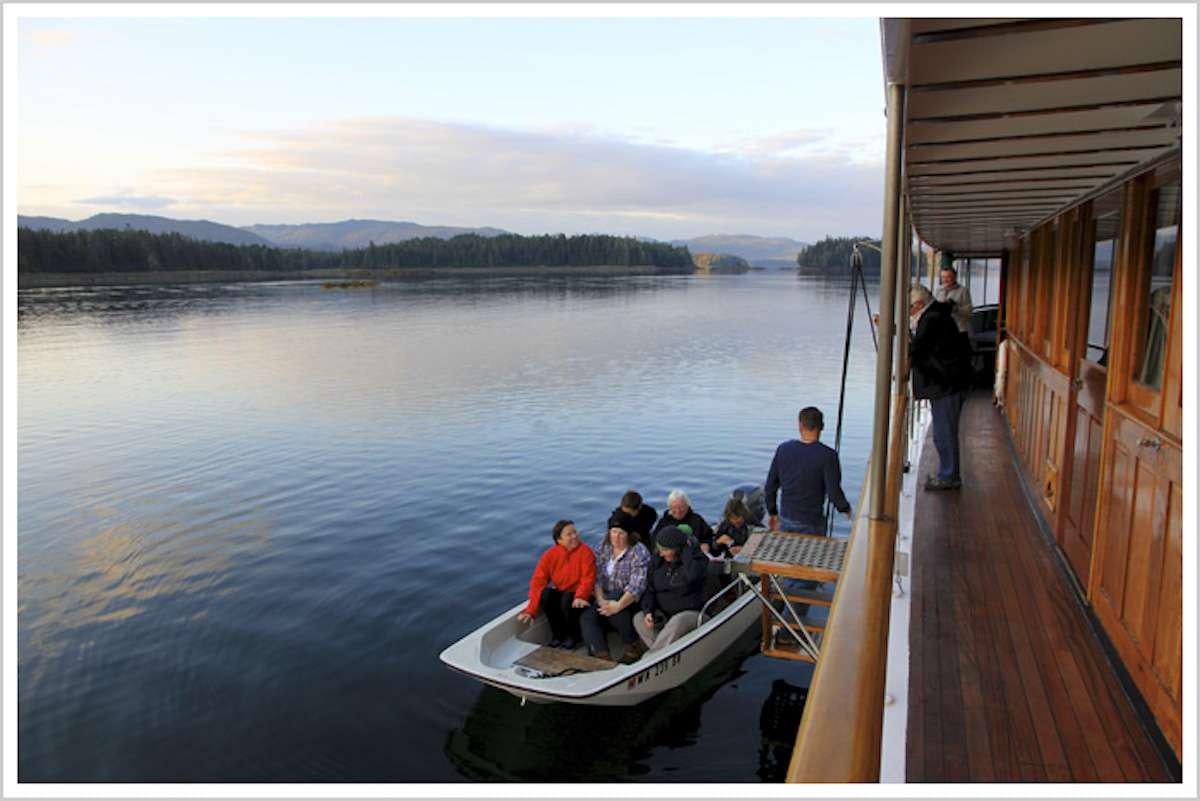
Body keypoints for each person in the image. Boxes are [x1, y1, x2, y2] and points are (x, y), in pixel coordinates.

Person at [909, 284, 973, 490]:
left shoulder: (931, 320)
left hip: (945, 384)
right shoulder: (937, 314)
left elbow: (917, 349)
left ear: (919, 304)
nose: (908, 312)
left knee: (944, 432)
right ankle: (948, 473)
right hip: (949, 381)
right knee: (944, 431)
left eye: (909, 307)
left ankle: (949, 476)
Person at [765, 407, 852, 535]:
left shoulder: (783, 449)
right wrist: (845, 508)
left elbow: (770, 487)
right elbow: (833, 492)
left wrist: (772, 512)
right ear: (821, 426)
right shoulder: (829, 456)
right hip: (812, 523)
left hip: (786, 518)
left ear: (800, 425)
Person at [579, 518, 652, 664]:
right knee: (587, 617)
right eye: (613, 532)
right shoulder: (603, 547)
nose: (616, 537)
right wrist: (600, 600)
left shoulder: (639, 551)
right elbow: (596, 576)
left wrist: (617, 606)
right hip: (605, 597)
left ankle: (634, 644)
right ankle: (601, 655)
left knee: (617, 611)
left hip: (630, 598)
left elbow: (637, 586)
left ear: (629, 534)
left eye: (621, 533)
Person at [516, 519, 596, 649]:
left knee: (567, 599)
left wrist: (580, 596)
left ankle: (573, 636)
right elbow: (537, 582)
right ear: (559, 540)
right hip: (565, 593)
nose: (575, 536)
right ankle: (558, 636)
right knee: (546, 594)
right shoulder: (550, 555)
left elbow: (588, 579)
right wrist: (530, 611)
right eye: (569, 534)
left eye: (575, 532)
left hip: (583, 596)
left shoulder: (586, 553)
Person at [634, 525, 708, 651]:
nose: (661, 553)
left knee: (678, 621)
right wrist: (648, 611)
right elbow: (650, 589)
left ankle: (653, 657)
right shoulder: (657, 563)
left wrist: (686, 552)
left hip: (693, 614)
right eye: (659, 549)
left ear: (677, 549)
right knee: (639, 618)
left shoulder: (697, 561)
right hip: (665, 615)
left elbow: (693, 576)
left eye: (665, 549)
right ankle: (662, 652)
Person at [652, 489, 715, 553]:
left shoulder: (697, 519)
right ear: (669, 508)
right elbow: (655, 540)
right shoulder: (664, 522)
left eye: (682, 507)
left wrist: (706, 544)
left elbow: (709, 535)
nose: (678, 511)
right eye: (674, 507)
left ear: (687, 506)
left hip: (694, 555)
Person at [934, 265, 974, 336]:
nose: (945, 280)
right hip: (941, 329)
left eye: (948, 277)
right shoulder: (938, 290)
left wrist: (954, 308)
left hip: (958, 330)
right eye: (943, 277)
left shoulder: (963, 291)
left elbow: (969, 312)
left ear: (955, 277)